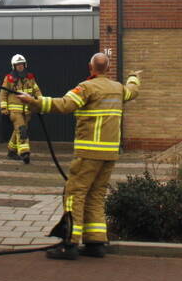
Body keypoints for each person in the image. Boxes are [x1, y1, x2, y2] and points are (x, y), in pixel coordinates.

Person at [18, 52, 140, 260]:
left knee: (74, 194)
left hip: (88, 154)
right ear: (108, 69)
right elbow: (133, 91)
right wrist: (134, 77)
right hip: (110, 154)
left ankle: (70, 244)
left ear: (90, 67)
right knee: (96, 196)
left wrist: (34, 102)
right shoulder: (118, 89)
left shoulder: (86, 88)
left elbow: (63, 104)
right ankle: (95, 243)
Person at [0, 54, 42, 164]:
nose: (20, 66)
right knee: (22, 130)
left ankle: (11, 151)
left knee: (18, 130)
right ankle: (24, 153)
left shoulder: (30, 78)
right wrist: (3, 107)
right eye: (17, 65)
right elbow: (3, 93)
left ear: (25, 65)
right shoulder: (9, 79)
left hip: (27, 111)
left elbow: (37, 91)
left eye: (21, 64)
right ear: (14, 66)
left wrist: (40, 103)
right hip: (15, 111)